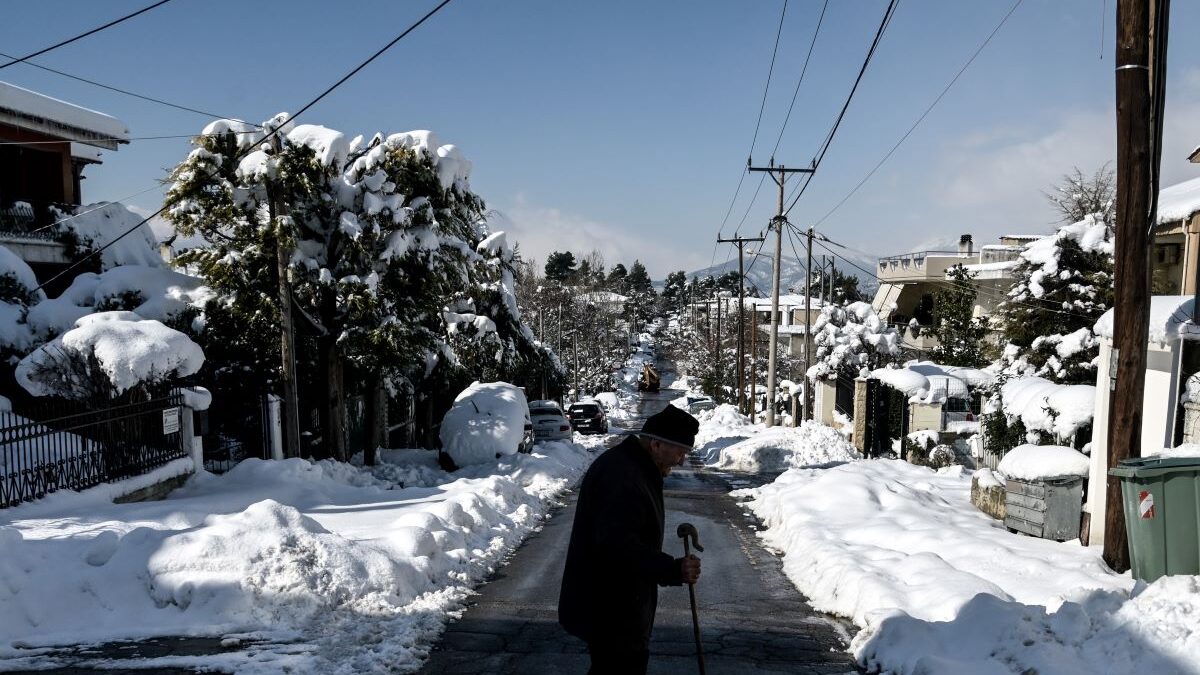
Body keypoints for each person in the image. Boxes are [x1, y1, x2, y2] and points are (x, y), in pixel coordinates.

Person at [558, 405, 703, 674]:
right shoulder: (624, 476)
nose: (682, 460)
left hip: (617, 609)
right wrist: (672, 569)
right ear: (657, 445)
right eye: (680, 451)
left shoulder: (634, 467)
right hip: (613, 612)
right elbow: (617, 546)